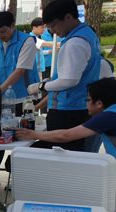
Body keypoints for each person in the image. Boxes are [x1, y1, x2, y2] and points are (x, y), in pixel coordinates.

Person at [28, 0, 101, 153]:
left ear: (68, 17)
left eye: (54, 25)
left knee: (63, 156)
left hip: (69, 109)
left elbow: (69, 80)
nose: (53, 31)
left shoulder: (75, 42)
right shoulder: (87, 33)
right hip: (78, 106)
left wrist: (41, 86)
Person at [17, 78, 116, 157]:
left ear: (99, 103)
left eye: (88, 100)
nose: (85, 103)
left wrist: (33, 134)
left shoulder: (108, 116)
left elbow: (65, 136)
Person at [0, 11, 39, 115]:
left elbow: (20, 71)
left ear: (12, 26)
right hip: (1, 99)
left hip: (23, 99)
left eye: (3, 31)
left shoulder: (27, 41)